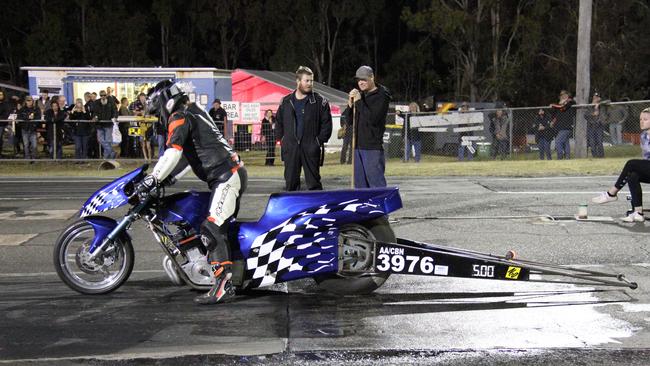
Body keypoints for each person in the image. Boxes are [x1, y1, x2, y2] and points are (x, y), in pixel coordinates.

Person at [143, 80, 246, 305]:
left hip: (226, 176)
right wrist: (167, 178)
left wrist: (152, 179)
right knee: (203, 224)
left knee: (211, 228)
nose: (157, 116)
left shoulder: (179, 116)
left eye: (156, 110)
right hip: (227, 174)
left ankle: (223, 286)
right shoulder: (193, 111)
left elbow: (172, 154)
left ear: (164, 101)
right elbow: (191, 158)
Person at [275, 66, 332, 191]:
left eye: (311, 81)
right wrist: (282, 140)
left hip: (311, 147)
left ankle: (316, 208)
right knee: (290, 183)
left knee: (314, 184)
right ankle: (293, 209)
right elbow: (278, 122)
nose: (310, 84)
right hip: (291, 148)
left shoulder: (320, 102)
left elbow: (327, 125)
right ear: (298, 81)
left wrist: (317, 142)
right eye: (307, 81)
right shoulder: (286, 101)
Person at [591, 108, 650, 222]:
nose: (642, 121)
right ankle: (638, 212)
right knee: (632, 175)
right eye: (640, 119)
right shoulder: (643, 136)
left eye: (646, 119)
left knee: (631, 163)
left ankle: (611, 193)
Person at [343, 65, 391, 188]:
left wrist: (359, 102)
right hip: (357, 147)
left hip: (372, 148)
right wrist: (350, 105)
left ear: (372, 78)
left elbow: (373, 119)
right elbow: (349, 121)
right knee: (360, 186)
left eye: (364, 79)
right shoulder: (361, 95)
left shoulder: (382, 95)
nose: (361, 82)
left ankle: (379, 207)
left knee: (376, 185)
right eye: (359, 80)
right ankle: (363, 208)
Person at [550, 90, 576, 159]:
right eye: (562, 95)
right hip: (560, 127)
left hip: (566, 127)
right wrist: (553, 122)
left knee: (558, 141)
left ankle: (560, 157)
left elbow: (563, 108)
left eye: (565, 95)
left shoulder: (570, 102)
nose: (563, 96)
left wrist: (555, 105)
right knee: (566, 142)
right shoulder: (558, 105)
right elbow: (554, 115)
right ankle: (567, 158)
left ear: (567, 96)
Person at [93, 89, 118, 159]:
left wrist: (114, 117)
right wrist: (95, 117)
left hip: (108, 124)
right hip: (99, 125)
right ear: (100, 96)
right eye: (101, 95)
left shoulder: (111, 102)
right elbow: (94, 112)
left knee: (108, 140)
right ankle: (112, 152)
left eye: (104, 95)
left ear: (106, 95)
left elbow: (115, 110)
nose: (103, 97)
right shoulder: (96, 103)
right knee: (101, 140)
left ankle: (106, 157)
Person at [17, 96, 41, 160]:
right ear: (26, 102)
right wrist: (27, 117)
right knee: (26, 145)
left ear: (33, 101)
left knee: (34, 145)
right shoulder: (22, 109)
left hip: (33, 129)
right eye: (28, 100)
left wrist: (34, 122)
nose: (29, 102)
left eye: (30, 100)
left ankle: (33, 158)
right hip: (25, 129)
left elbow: (39, 118)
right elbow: (19, 118)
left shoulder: (36, 109)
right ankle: (27, 158)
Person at [586, 93, 605, 158]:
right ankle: (595, 156)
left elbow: (608, 101)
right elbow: (585, 115)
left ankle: (601, 156)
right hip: (591, 127)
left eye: (597, 97)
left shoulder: (601, 105)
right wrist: (593, 114)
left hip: (599, 126)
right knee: (592, 143)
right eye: (594, 97)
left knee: (599, 142)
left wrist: (599, 103)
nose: (595, 98)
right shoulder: (589, 106)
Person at [0, 90, 12, 157]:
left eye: (1, 94)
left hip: (1, 124)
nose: (0, 96)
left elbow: (6, 114)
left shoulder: (6, 104)